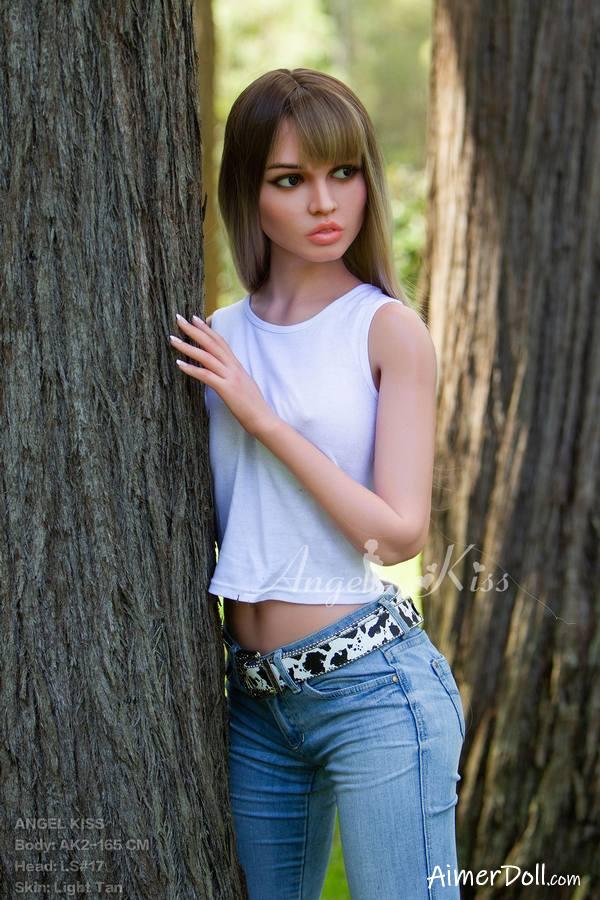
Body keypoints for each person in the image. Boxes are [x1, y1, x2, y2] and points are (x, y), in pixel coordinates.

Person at [170, 68, 465, 900]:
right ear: (248, 191)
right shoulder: (216, 339)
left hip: (375, 694)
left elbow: (397, 534)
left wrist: (264, 420)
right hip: (253, 704)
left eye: (344, 172)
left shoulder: (387, 330)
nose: (325, 202)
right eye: (290, 180)